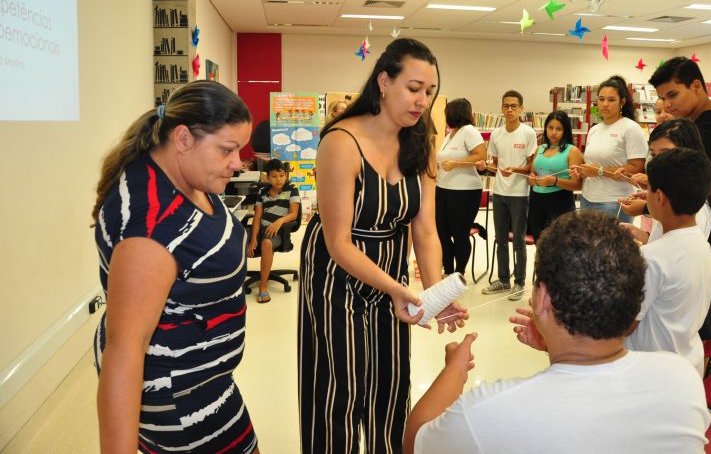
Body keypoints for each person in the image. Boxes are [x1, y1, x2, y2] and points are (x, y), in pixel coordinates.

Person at [403, 211, 709, 454]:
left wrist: (454, 370)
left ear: (543, 299)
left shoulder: (491, 412)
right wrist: (554, 343)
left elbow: (416, 441)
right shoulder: (684, 378)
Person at [298, 38, 468, 454]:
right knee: (338, 389)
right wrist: (398, 289)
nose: (422, 101)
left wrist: (435, 293)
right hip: (336, 277)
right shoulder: (341, 142)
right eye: (413, 88)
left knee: (391, 383)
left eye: (429, 92)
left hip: (391, 273)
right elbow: (338, 242)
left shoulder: (419, 141)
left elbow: (425, 230)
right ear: (384, 82)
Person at [92, 81, 259, 453]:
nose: (237, 163)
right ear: (183, 138)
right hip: (180, 398)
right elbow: (124, 350)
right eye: (228, 150)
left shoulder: (186, 177)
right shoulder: (153, 228)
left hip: (203, 380)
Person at [649, 57, 711, 340]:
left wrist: (653, 202)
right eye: (663, 98)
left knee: (690, 318)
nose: (667, 105)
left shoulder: (707, 132)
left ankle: (697, 373)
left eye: (673, 95)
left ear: (696, 85)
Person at [625, 148, 711, 375]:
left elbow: (625, 325)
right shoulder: (701, 243)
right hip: (685, 360)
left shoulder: (652, 258)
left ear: (659, 197)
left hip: (651, 369)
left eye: (648, 189)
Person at [476, 90, 537, 300]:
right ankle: (503, 280)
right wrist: (485, 166)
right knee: (500, 239)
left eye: (514, 106)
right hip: (499, 193)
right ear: (502, 108)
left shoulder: (528, 133)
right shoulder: (496, 134)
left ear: (521, 108)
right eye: (506, 106)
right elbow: (495, 166)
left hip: (520, 194)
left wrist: (516, 170)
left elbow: (532, 167)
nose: (509, 110)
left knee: (518, 240)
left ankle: (519, 282)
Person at [620, 118, 711, 245]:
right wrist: (634, 232)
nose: (657, 162)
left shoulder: (694, 211)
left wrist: (647, 208)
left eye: (666, 154)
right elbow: (664, 244)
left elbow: (672, 255)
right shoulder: (677, 198)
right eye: (654, 155)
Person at [571, 75, 647, 224]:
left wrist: (600, 171)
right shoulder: (594, 129)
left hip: (614, 202)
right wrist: (581, 171)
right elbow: (592, 164)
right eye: (601, 99)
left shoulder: (631, 128)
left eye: (611, 100)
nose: (605, 104)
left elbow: (637, 169)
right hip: (587, 199)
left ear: (622, 102)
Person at [435, 98, 486, 276]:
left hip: (464, 192)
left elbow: (481, 155)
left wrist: (456, 163)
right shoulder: (451, 134)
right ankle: (448, 271)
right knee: (442, 233)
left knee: (459, 234)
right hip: (443, 188)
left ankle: (458, 273)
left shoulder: (469, 131)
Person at [246, 158, 300, 303]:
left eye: (282, 175)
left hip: (279, 230)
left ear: (286, 176)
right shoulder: (262, 192)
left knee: (267, 244)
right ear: (268, 177)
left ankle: (263, 288)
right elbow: (257, 218)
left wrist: (279, 221)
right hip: (261, 228)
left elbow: (294, 214)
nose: (278, 179)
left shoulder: (292, 189)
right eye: (274, 176)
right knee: (236, 236)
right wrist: (252, 239)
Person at [526, 110, 583, 242]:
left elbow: (578, 184)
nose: (553, 132)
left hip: (560, 202)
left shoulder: (572, 151)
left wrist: (554, 181)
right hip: (536, 202)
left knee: (558, 247)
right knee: (539, 244)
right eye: (550, 128)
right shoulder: (540, 148)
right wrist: (532, 179)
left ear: (565, 130)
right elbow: (532, 173)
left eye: (558, 129)